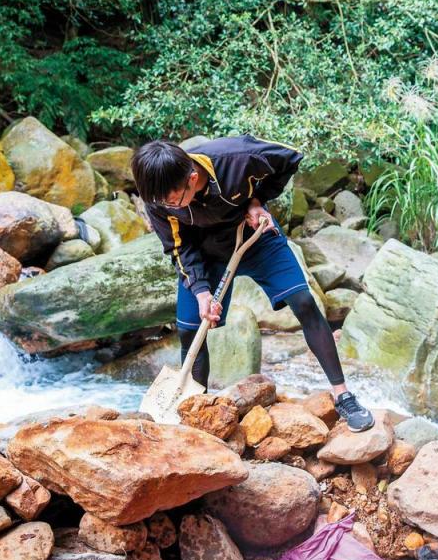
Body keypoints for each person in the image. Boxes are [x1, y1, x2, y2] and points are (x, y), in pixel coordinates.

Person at [131, 135, 375, 432]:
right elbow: (179, 247)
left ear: (193, 178)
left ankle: (343, 396)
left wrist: (257, 201)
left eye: (173, 201)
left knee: (304, 302)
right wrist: (202, 292)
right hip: (205, 252)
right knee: (189, 330)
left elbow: (290, 157)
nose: (168, 207)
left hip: (254, 237)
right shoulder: (158, 201)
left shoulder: (238, 157)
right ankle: (195, 413)